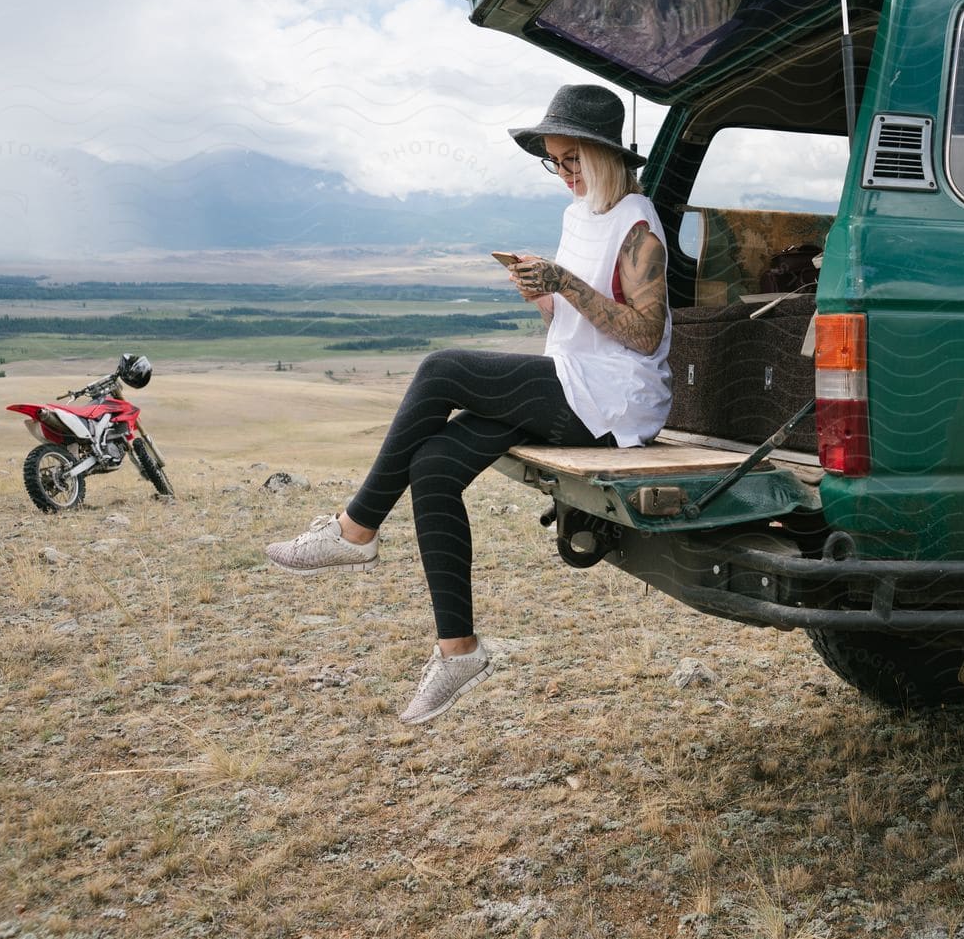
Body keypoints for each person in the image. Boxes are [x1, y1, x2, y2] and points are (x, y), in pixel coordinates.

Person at [264, 84, 671, 723]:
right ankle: (459, 652)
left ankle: (356, 529)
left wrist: (563, 281)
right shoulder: (579, 215)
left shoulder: (638, 225)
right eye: (553, 161)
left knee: (442, 368)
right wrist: (540, 290)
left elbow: (645, 335)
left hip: (615, 406)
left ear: (602, 155)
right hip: (571, 379)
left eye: (572, 160)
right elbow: (575, 318)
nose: (562, 173)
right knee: (433, 465)